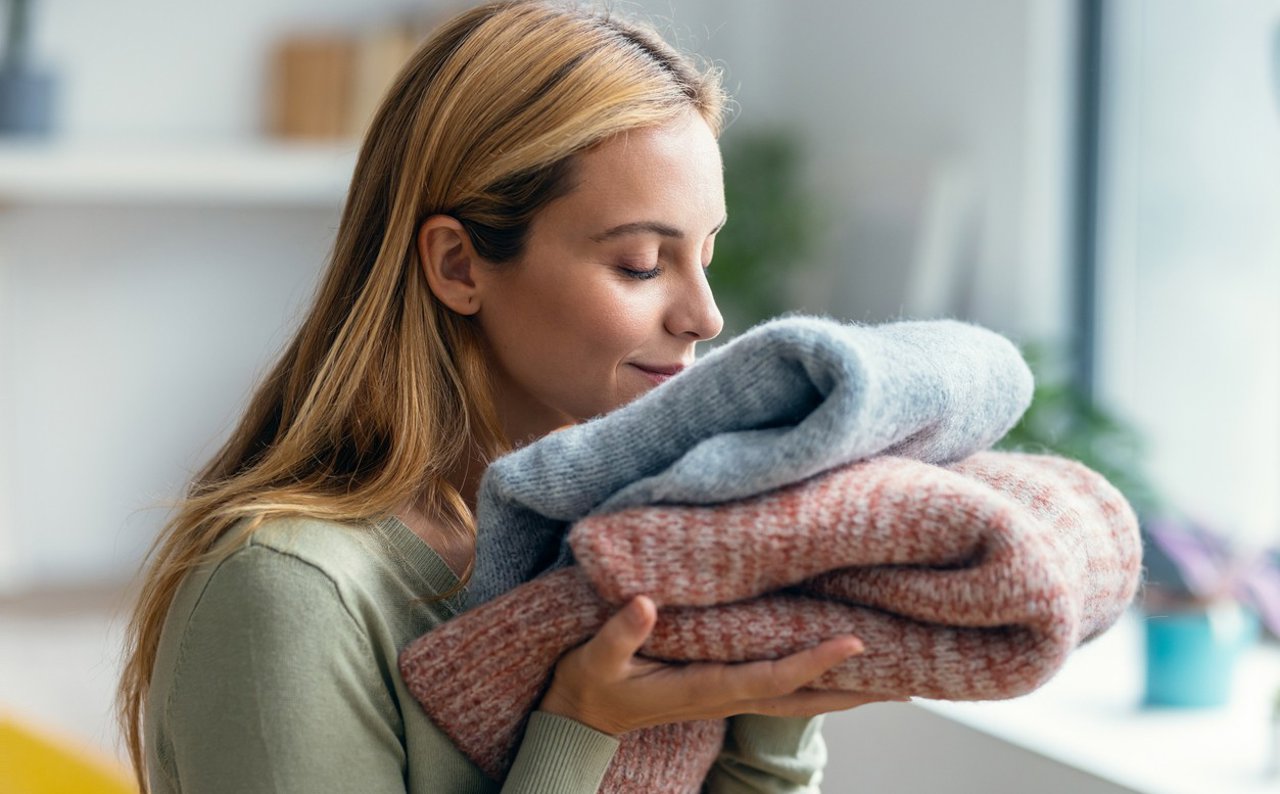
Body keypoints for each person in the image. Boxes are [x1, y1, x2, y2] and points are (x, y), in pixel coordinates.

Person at [117, 2, 904, 791]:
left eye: (705, 254)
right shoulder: (286, 592)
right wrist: (578, 728)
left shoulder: (624, 546)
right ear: (459, 266)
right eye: (638, 262)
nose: (705, 315)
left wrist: (776, 700)